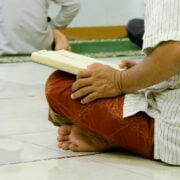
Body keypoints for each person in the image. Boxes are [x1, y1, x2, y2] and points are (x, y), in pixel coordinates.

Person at [45, 0, 180, 165]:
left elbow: (174, 52)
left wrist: (120, 81)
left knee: (59, 84)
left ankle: (112, 136)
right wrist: (144, 71)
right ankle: (114, 136)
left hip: (173, 133)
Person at [0, 0, 80, 55]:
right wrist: (53, 28)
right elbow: (73, 4)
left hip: (5, 48)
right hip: (41, 47)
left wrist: (53, 27)